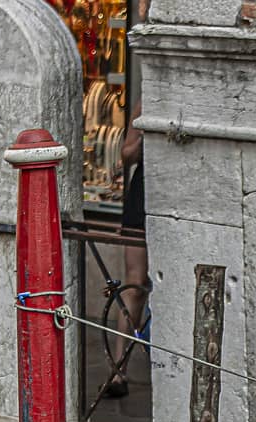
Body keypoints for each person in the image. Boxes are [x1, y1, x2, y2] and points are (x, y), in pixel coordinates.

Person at [108, 102, 149, 398]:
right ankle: (118, 370)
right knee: (134, 284)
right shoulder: (143, 102)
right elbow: (127, 154)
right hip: (143, 195)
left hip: (179, 194)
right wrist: (145, 131)